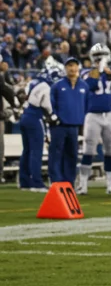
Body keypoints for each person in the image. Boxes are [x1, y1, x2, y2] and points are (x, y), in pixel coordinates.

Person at [18, 58, 64, 192]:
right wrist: (56, 118)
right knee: (36, 151)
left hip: (25, 115)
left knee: (26, 150)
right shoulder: (47, 87)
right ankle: (36, 183)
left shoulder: (35, 82)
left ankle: (24, 182)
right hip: (35, 117)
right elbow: (48, 107)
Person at [79, 43, 111, 195]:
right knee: (88, 149)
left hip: (110, 115)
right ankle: (83, 184)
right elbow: (90, 85)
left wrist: (108, 72)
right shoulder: (87, 72)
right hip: (93, 115)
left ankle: (110, 185)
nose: (99, 59)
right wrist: (100, 70)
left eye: (101, 56)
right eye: (96, 56)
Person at [48, 57, 87, 185]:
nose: (72, 68)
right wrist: (55, 118)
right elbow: (51, 105)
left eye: (74, 65)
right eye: (69, 65)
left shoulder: (84, 86)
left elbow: (86, 105)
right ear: (65, 68)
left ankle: (69, 182)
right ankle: (56, 181)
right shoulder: (57, 85)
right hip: (60, 126)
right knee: (56, 153)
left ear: (78, 67)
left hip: (75, 126)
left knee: (72, 155)